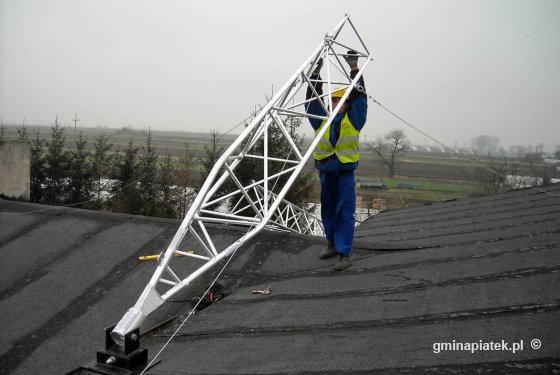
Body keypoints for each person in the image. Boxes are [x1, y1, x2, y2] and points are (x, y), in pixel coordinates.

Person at [305, 50, 367, 271]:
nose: (334, 103)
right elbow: (312, 100)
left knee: (345, 211)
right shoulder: (320, 121)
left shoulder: (355, 119)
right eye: (332, 100)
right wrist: (316, 74)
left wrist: (354, 69)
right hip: (326, 172)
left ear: (346, 103)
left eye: (339, 100)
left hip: (344, 173)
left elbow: (360, 96)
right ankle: (331, 244)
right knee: (328, 209)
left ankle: (344, 252)